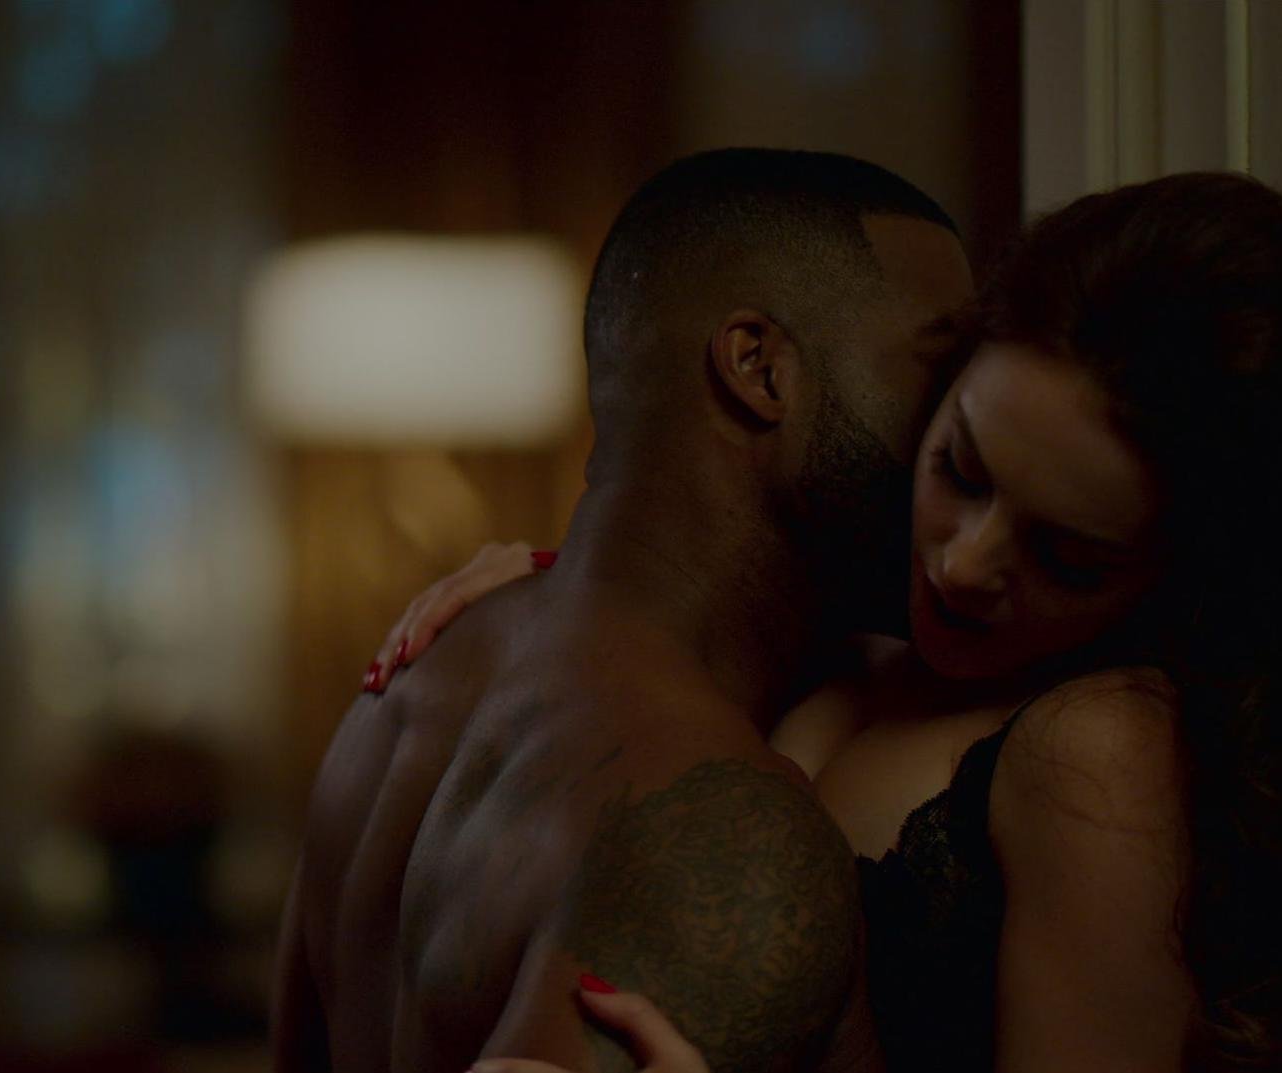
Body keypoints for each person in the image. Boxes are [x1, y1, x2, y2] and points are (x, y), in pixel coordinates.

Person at [375, 172, 1282, 1073]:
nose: (963, 563)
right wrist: (561, 592)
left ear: (1179, 575)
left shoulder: (1099, 753)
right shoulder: (854, 646)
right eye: (961, 468)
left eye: (1067, 558)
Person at [268, 148, 974, 1073]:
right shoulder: (716, 838)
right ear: (759, 368)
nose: (967, 421)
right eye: (941, 364)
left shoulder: (420, 676)